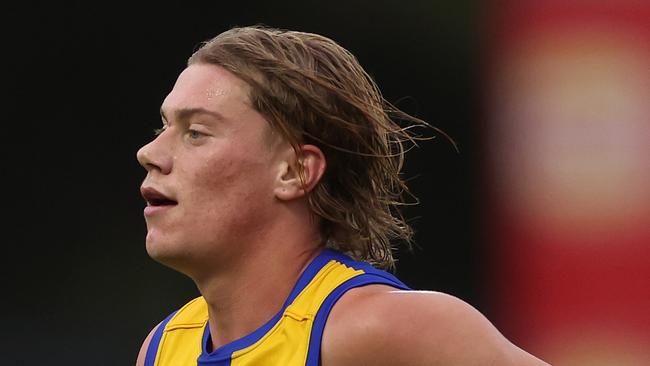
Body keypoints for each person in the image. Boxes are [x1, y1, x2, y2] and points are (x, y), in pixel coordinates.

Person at [135, 25, 549, 366]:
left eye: (196, 133)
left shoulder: (385, 328)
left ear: (295, 171)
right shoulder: (164, 349)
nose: (149, 153)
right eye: (163, 128)